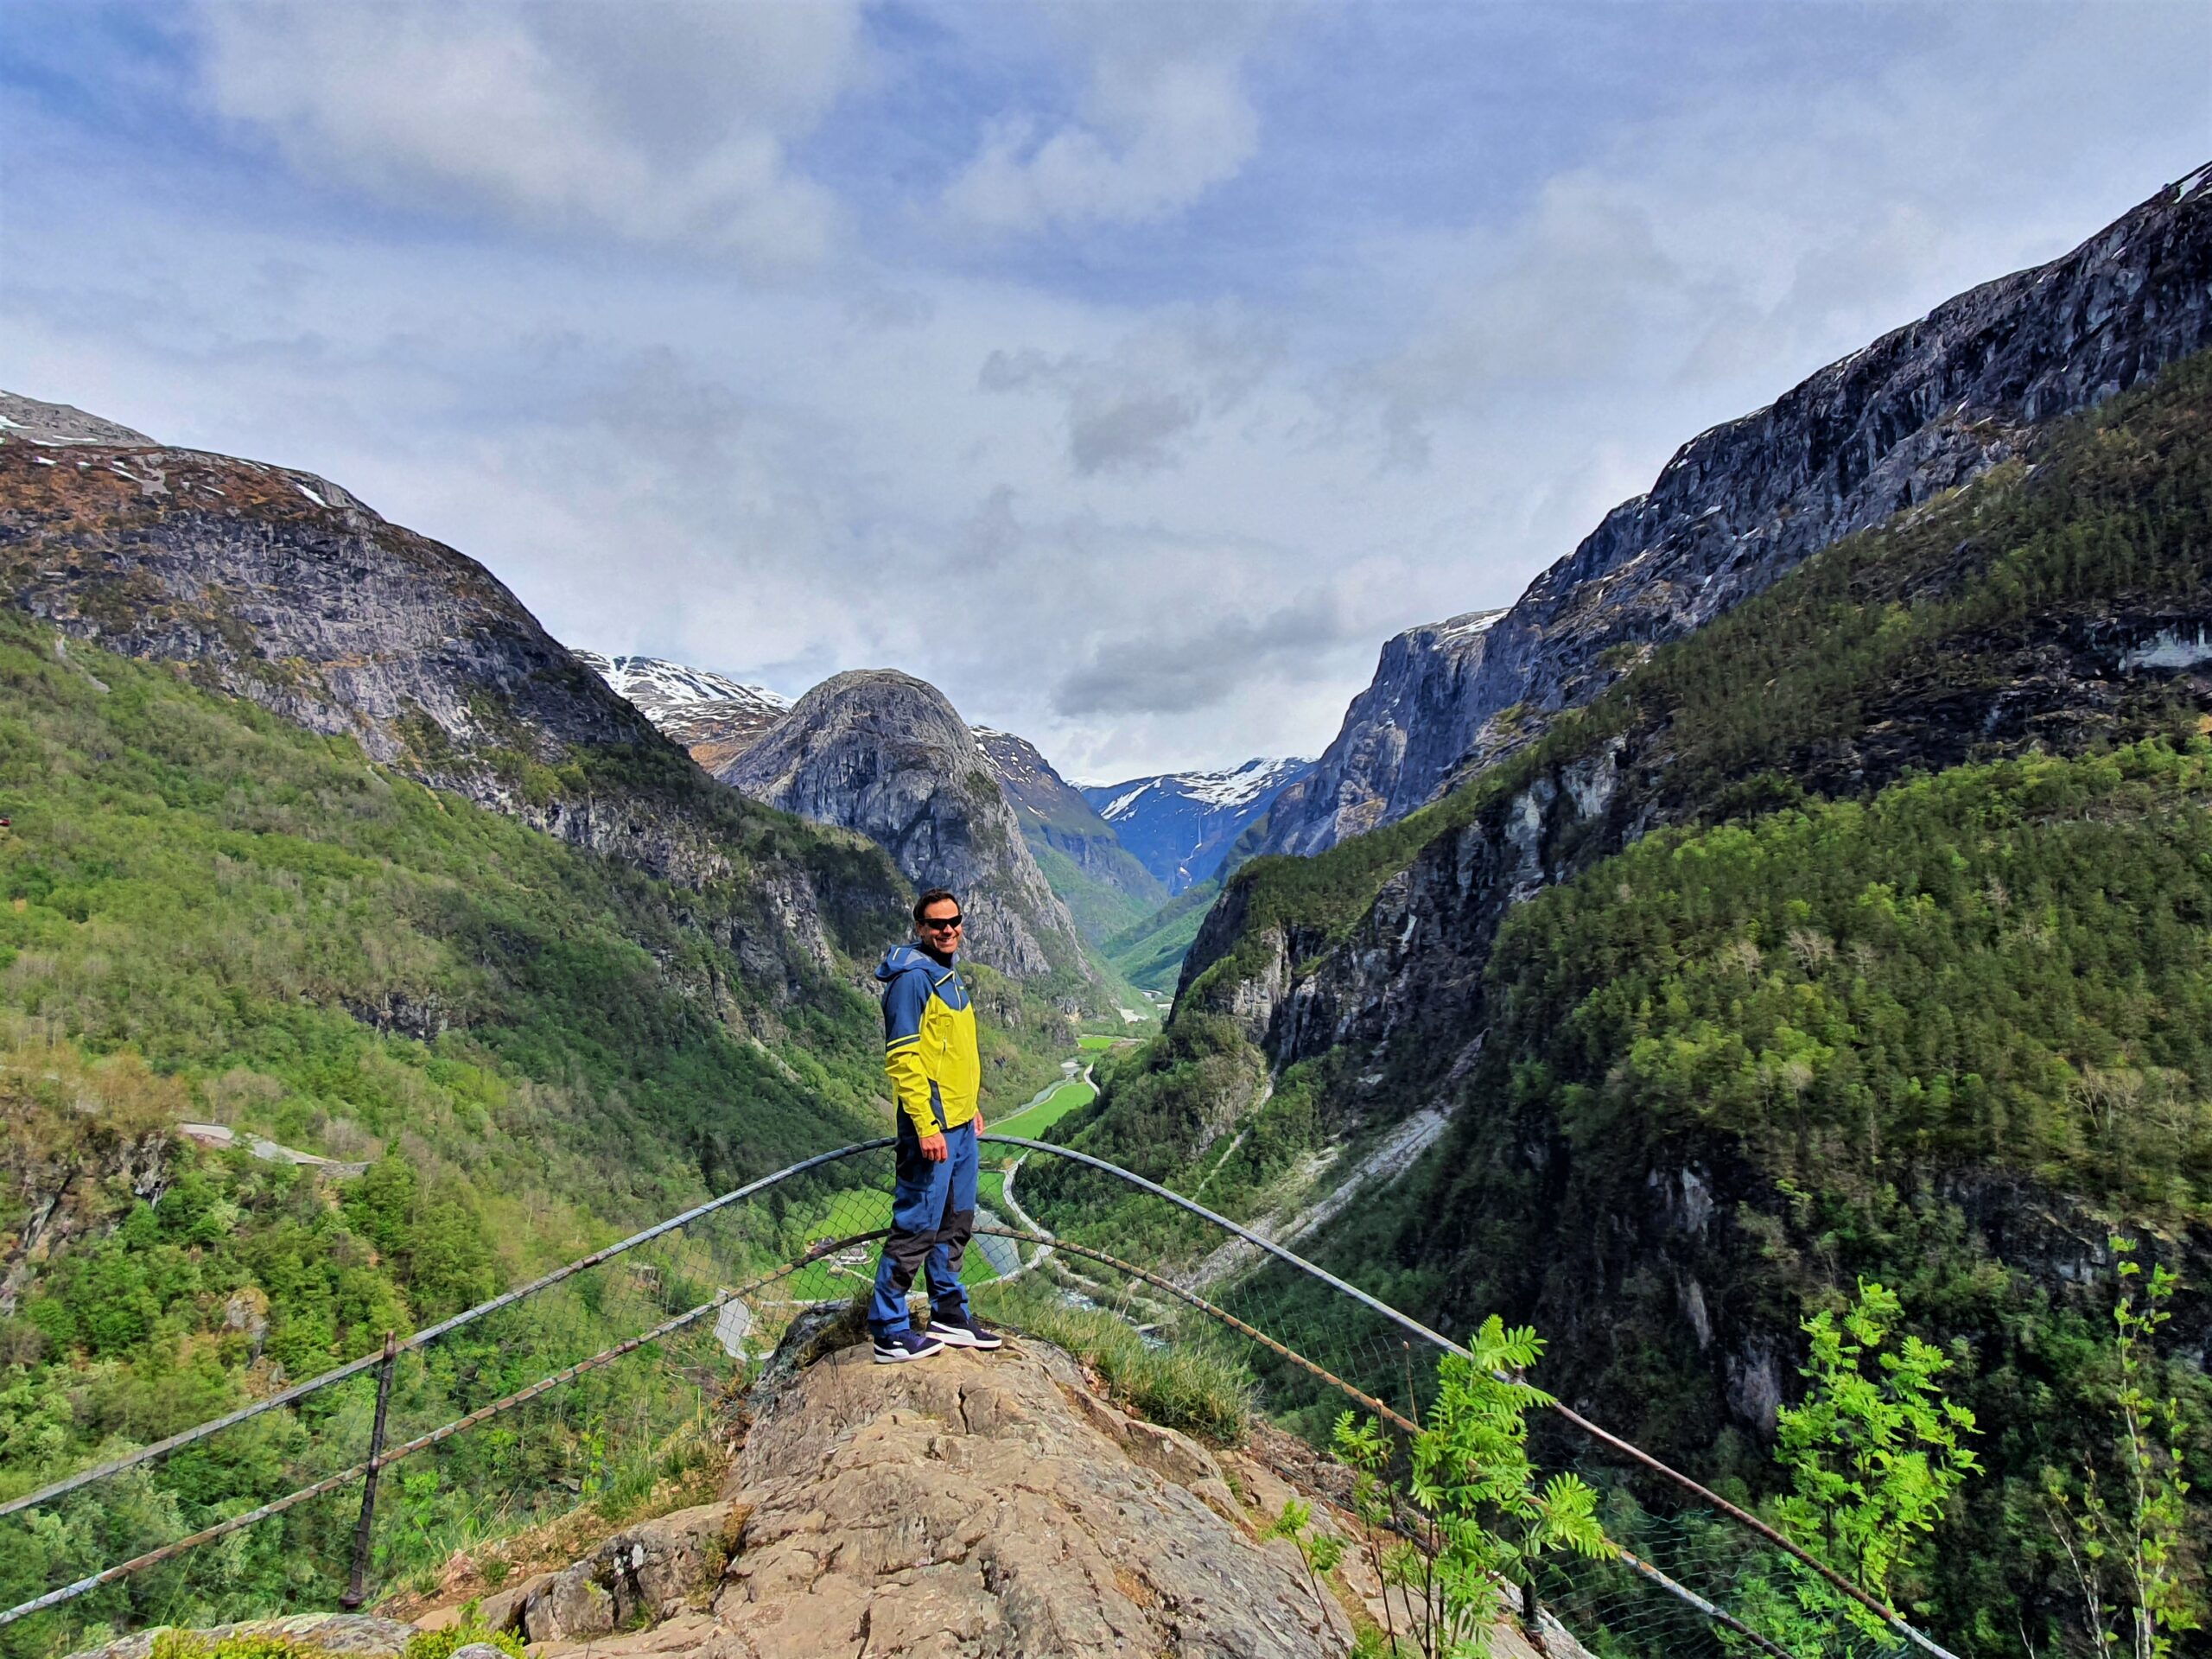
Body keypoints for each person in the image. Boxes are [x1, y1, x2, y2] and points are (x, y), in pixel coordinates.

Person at [868, 888, 1004, 1362]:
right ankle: (888, 1326)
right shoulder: (912, 981)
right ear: (920, 928)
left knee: (956, 1220)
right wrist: (926, 1125)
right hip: (933, 1127)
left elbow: (952, 1053)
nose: (948, 930)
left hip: (961, 1123)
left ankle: (947, 1312)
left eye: (954, 921)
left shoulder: (947, 972)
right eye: (936, 923)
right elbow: (904, 1058)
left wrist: (970, 1107)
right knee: (918, 1224)